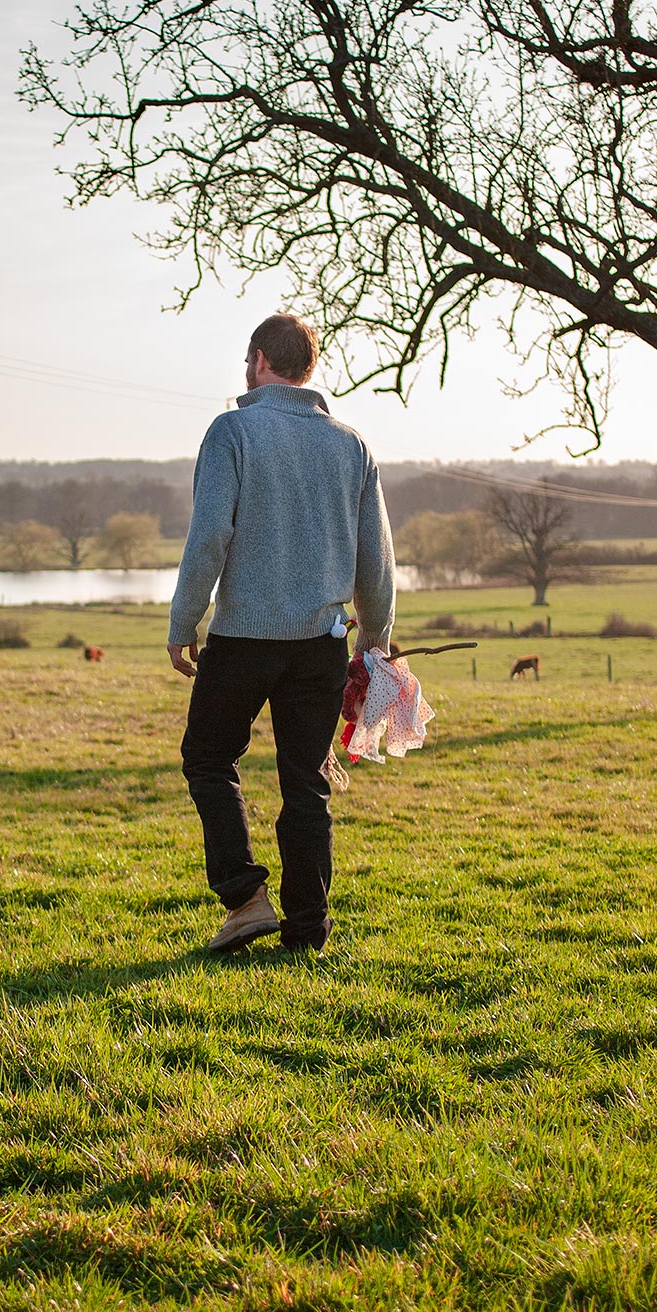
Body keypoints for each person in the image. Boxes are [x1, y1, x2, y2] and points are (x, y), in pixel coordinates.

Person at [168, 313, 395, 954]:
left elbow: (211, 534)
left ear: (261, 359)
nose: (244, 373)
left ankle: (244, 899)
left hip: (242, 639)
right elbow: (374, 557)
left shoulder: (232, 431)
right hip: (321, 643)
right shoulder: (351, 444)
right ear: (309, 369)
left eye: (247, 362)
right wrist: (374, 637)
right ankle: (306, 928)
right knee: (306, 783)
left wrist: (184, 621)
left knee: (209, 759)